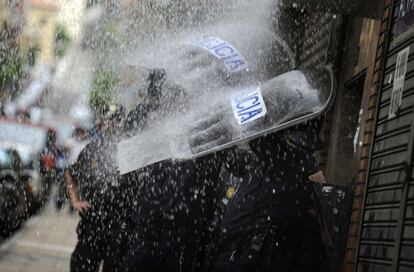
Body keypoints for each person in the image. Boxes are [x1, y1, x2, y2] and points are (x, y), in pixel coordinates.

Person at [120, 69, 221, 272]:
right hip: (144, 234)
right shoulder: (149, 122)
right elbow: (128, 141)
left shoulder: (202, 130)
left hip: (179, 240)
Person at [66, 105, 128, 272]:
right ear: (102, 124)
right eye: (109, 120)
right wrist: (75, 200)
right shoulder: (91, 150)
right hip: (93, 221)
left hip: (120, 226)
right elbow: (70, 173)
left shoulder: (128, 150)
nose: (113, 125)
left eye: (117, 121)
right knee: (80, 266)